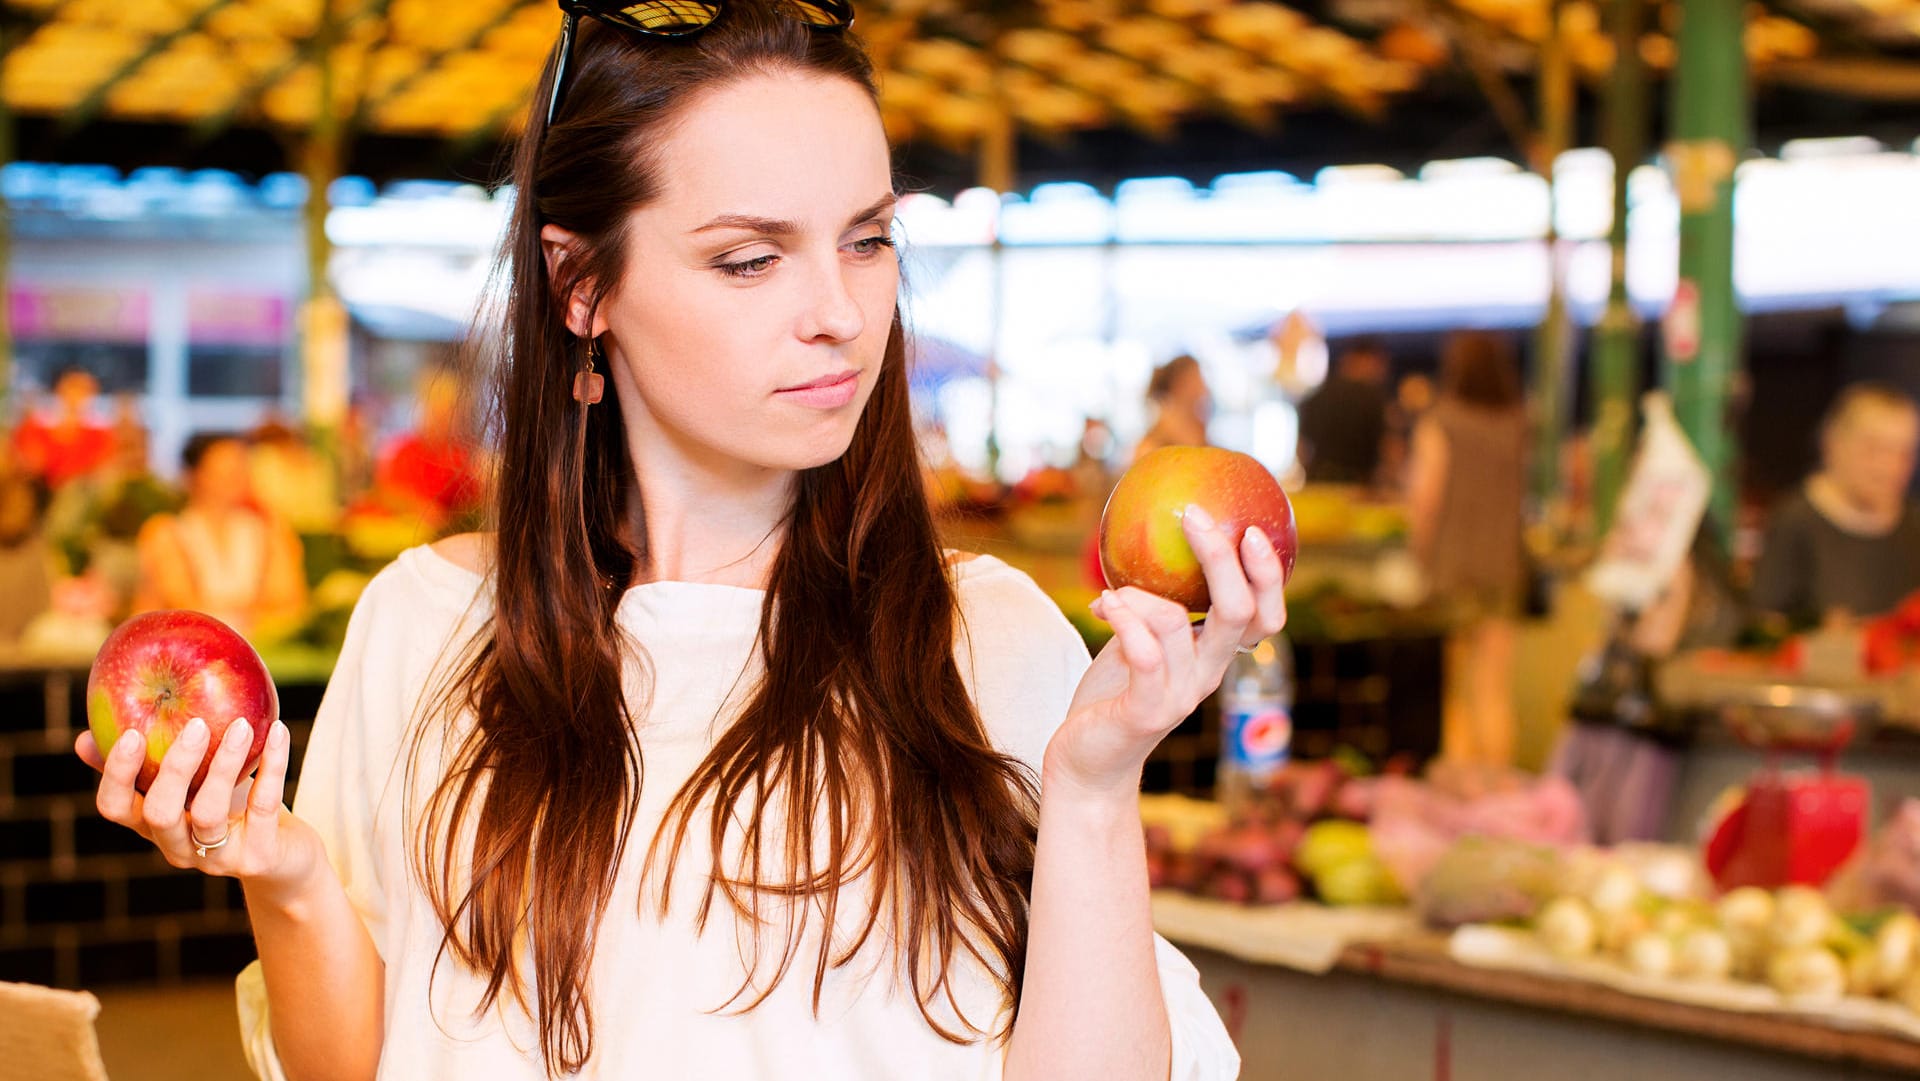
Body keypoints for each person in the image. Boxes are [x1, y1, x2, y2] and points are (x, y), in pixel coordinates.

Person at [77, 4, 1278, 1079]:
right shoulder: (426, 629)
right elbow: (358, 1064)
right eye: (751, 258)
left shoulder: (988, 638)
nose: (840, 314)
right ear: (580, 285)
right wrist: (282, 873)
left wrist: (1094, 784)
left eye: (867, 239)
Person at [1407, 331, 1528, 768]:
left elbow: (1426, 498)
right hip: (1503, 567)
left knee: (1454, 690)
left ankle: (1463, 793)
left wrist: (1420, 557)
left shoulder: (1442, 422)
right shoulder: (1518, 423)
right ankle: (1496, 787)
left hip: (1453, 568)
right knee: (1495, 688)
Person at [1749, 382, 1920, 624]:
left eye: (1903, 453)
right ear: (1833, 443)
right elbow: (1765, 622)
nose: (1889, 467)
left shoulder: (1913, 525)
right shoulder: (1796, 519)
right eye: (1874, 449)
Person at [132, 433, 307, 635]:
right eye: (222, 470)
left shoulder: (269, 531)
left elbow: (288, 599)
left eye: (239, 468)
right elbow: (179, 602)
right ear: (194, 474)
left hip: (259, 646)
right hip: (185, 648)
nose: (233, 477)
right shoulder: (166, 532)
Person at [1297, 338, 1390, 485]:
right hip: (1357, 488)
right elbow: (1386, 449)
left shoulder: (1318, 396)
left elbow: (1302, 449)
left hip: (1318, 483)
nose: (1381, 371)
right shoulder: (1372, 398)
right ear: (1364, 360)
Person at [12, 366, 115, 489]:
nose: (76, 395)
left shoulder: (100, 434)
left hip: (79, 491)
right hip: (40, 487)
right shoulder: (37, 425)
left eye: (83, 389)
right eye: (73, 387)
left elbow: (102, 467)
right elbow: (29, 461)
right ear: (60, 389)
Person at [1130, 354, 1211, 462]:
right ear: (1180, 383)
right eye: (1198, 377)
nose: (1203, 386)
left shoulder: (1197, 423)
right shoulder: (1166, 427)